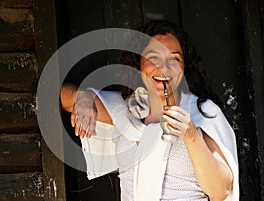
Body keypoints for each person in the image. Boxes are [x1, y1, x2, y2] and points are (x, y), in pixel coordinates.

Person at [60, 20, 239, 201]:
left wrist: (191, 135)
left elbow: (220, 191)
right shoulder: (126, 108)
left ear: (185, 67)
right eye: (153, 58)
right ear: (138, 65)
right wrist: (83, 98)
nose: (164, 68)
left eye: (174, 59)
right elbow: (64, 98)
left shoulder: (203, 112)